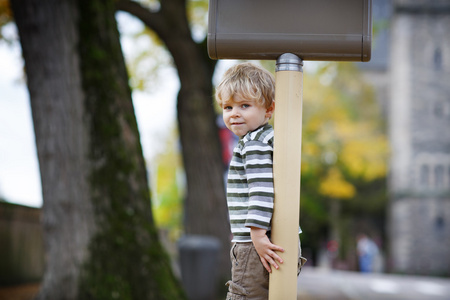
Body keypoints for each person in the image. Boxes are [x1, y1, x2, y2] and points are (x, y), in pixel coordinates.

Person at [216, 62, 304, 300]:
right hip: (280, 236)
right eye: (228, 106)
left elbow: (261, 190)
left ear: (268, 109)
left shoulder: (253, 143)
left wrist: (257, 235)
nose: (234, 113)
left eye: (244, 105)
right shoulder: (271, 138)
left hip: (256, 243)